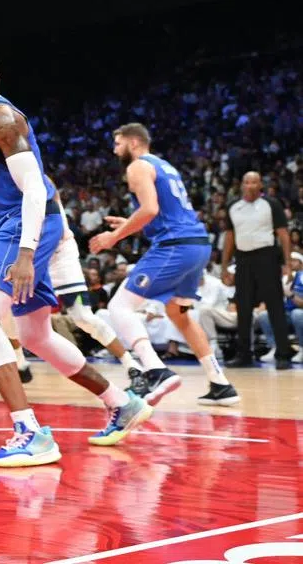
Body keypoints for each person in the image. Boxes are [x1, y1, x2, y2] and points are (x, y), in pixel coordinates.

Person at [0, 51, 152, 467]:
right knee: (35, 335)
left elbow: (35, 189)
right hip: (11, 221)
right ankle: (121, 402)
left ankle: (30, 432)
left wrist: (25, 252)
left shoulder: (1, 119)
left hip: (28, 222)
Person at [89, 123, 240, 406]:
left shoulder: (136, 167)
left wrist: (114, 236)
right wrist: (131, 226)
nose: (114, 150)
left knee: (119, 306)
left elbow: (149, 210)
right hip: (197, 246)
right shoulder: (166, 166)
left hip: (176, 247)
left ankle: (156, 370)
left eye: (118, 144)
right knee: (178, 313)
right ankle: (220, 383)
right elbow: (164, 215)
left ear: (134, 143)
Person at [46, 180, 142, 378]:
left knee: (83, 317)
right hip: (27, 255)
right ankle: (17, 362)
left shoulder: (39, 177)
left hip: (59, 254)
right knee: (11, 315)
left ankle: (131, 364)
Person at [221, 171, 294, 369]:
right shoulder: (233, 207)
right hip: (243, 259)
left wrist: (287, 262)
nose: (251, 186)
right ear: (242, 185)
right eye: (247, 182)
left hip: (267, 257)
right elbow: (229, 237)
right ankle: (244, 355)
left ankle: (283, 355)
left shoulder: (272, 204)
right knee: (243, 308)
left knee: (274, 306)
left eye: (254, 182)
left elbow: (283, 234)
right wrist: (224, 265)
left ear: (260, 185)